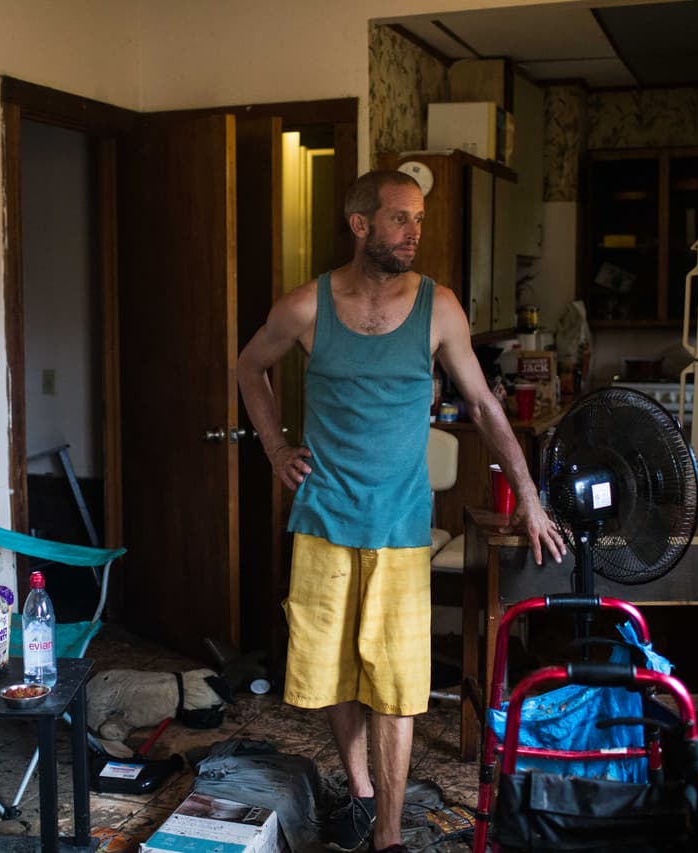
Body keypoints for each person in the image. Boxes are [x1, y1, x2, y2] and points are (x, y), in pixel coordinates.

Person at [236, 169, 565, 853]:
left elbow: (482, 404)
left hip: (401, 526)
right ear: (360, 225)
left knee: (396, 684)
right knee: (334, 673)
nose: (414, 232)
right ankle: (359, 791)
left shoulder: (438, 308)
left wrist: (531, 497)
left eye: (418, 219)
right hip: (324, 519)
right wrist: (274, 448)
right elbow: (248, 366)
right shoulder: (307, 307)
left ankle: (388, 836)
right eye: (399, 219)